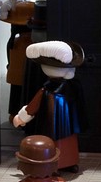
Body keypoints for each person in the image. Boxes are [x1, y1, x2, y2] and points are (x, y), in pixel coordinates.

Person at [12, 40, 88, 173]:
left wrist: (21, 117)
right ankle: (70, 162)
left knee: (53, 143)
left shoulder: (47, 90)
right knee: (68, 142)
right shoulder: (73, 86)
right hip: (69, 126)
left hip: (51, 126)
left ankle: (57, 164)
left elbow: (33, 107)